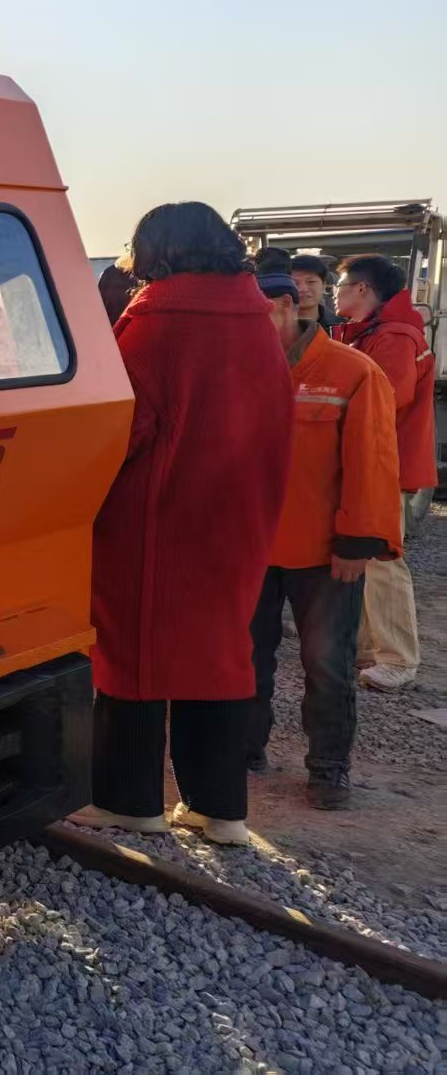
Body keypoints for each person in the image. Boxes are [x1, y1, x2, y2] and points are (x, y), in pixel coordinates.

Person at [72, 202, 292, 847]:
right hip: (240, 515)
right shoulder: (256, 319)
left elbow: (121, 429)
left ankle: (127, 801)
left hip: (155, 517)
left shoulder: (155, 323)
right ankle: (219, 809)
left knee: (130, 652)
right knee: (221, 654)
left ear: (157, 251)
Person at [248, 268, 400, 809]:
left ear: (288, 305)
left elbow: (374, 461)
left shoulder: (352, 372)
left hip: (324, 554)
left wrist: (359, 542)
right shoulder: (242, 373)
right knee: (246, 657)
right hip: (253, 550)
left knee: (328, 663)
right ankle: (246, 749)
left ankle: (329, 768)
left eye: (254, 312)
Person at [333, 254, 437, 691]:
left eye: (340, 285)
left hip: (383, 465)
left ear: (362, 290)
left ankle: (397, 657)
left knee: (381, 557)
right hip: (373, 462)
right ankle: (365, 648)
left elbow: (383, 401)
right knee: (359, 558)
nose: (334, 293)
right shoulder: (370, 333)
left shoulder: (393, 338)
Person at [289, 253, 340, 328]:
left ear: (323, 285)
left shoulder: (342, 327)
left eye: (311, 282)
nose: (303, 289)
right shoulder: (273, 327)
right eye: (294, 283)